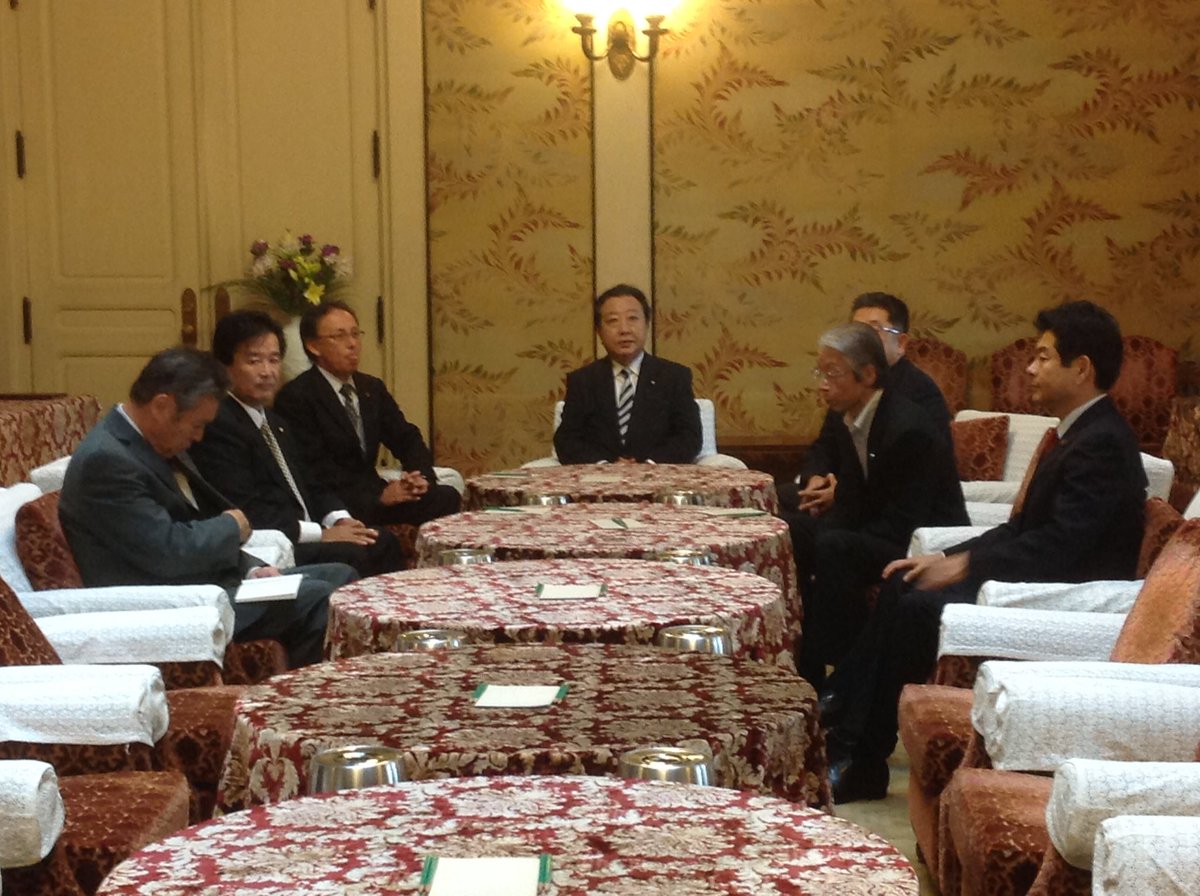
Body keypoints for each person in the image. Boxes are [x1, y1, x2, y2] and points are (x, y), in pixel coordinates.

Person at [826, 300, 1147, 802]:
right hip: (1034, 575)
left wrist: (967, 565)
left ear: (1081, 368)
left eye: (1043, 357)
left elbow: (1060, 548)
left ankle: (862, 757)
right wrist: (944, 557)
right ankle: (843, 721)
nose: (1030, 368)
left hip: (1060, 599)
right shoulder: (1077, 432)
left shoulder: (1101, 443)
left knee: (917, 609)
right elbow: (1020, 528)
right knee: (903, 580)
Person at [59, 347, 356, 667]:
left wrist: (251, 568)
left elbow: (182, 528)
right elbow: (169, 551)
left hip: (201, 580)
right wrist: (231, 526)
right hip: (170, 602)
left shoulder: (144, 445)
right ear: (162, 406)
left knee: (343, 575)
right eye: (196, 425)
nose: (199, 437)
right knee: (322, 598)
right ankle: (306, 695)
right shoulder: (107, 462)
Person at [788, 323, 967, 687]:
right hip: (875, 526)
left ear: (868, 375)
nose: (822, 384)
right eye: (820, 373)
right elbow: (853, 498)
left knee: (834, 546)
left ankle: (841, 670)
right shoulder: (850, 414)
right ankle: (800, 660)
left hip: (923, 541)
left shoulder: (907, 428)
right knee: (791, 529)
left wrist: (835, 530)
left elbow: (905, 520)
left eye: (833, 373)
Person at [190, 310, 405, 578]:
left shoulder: (274, 421)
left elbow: (311, 481)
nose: (267, 372)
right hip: (268, 546)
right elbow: (248, 511)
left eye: (274, 360)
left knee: (381, 541)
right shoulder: (219, 425)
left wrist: (339, 518)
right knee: (358, 553)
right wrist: (321, 533)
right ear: (225, 367)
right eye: (254, 361)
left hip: (303, 530)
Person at [273, 301, 460, 527]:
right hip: (337, 504)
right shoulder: (297, 397)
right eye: (339, 336)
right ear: (313, 346)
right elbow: (314, 471)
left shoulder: (371, 388)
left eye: (355, 334)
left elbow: (406, 437)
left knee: (447, 496)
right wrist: (376, 498)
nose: (352, 344)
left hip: (376, 494)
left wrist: (420, 478)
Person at [783, 291, 952, 517]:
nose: (859, 341)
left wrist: (841, 494)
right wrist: (816, 478)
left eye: (872, 332)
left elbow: (914, 478)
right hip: (844, 493)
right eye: (854, 332)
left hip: (893, 510)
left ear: (901, 343)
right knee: (775, 500)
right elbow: (825, 446)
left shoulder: (919, 395)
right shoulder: (847, 387)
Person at [554, 284, 702, 464]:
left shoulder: (674, 377)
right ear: (599, 331)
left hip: (657, 474)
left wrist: (647, 464)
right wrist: (605, 465)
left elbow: (689, 437)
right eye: (613, 321)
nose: (624, 329)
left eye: (633, 318)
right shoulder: (583, 380)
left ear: (647, 324)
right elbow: (566, 441)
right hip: (600, 476)